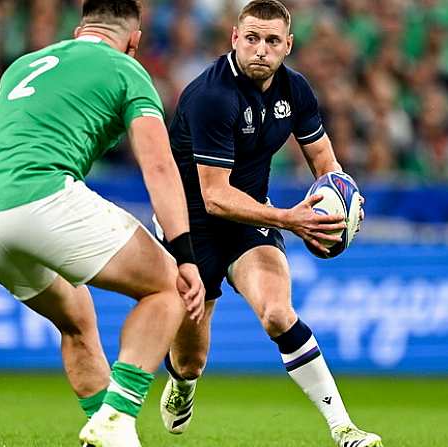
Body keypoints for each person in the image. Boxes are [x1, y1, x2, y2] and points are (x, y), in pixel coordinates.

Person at [0, 1, 205, 446]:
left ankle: (109, 434)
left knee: (76, 318)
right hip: (41, 197)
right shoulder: (126, 69)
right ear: (134, 40)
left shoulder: (23, 67)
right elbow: (158, 168)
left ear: (80, 28)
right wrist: (186, 254)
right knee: (167, 287)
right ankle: (119, 415)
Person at [155, 1, 383, 446]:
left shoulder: (296, 91)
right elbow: (215, 197)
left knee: (278, 314)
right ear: (235, 38)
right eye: (253, 38)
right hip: (191, 225)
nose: (262, 49)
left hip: (251, 219)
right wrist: (290, 219)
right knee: (190, 361)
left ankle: (343, 428)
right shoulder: (209, 96)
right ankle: (182, 385)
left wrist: (341, 203)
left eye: (273, 41)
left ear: (288, 45)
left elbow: (325, 162)